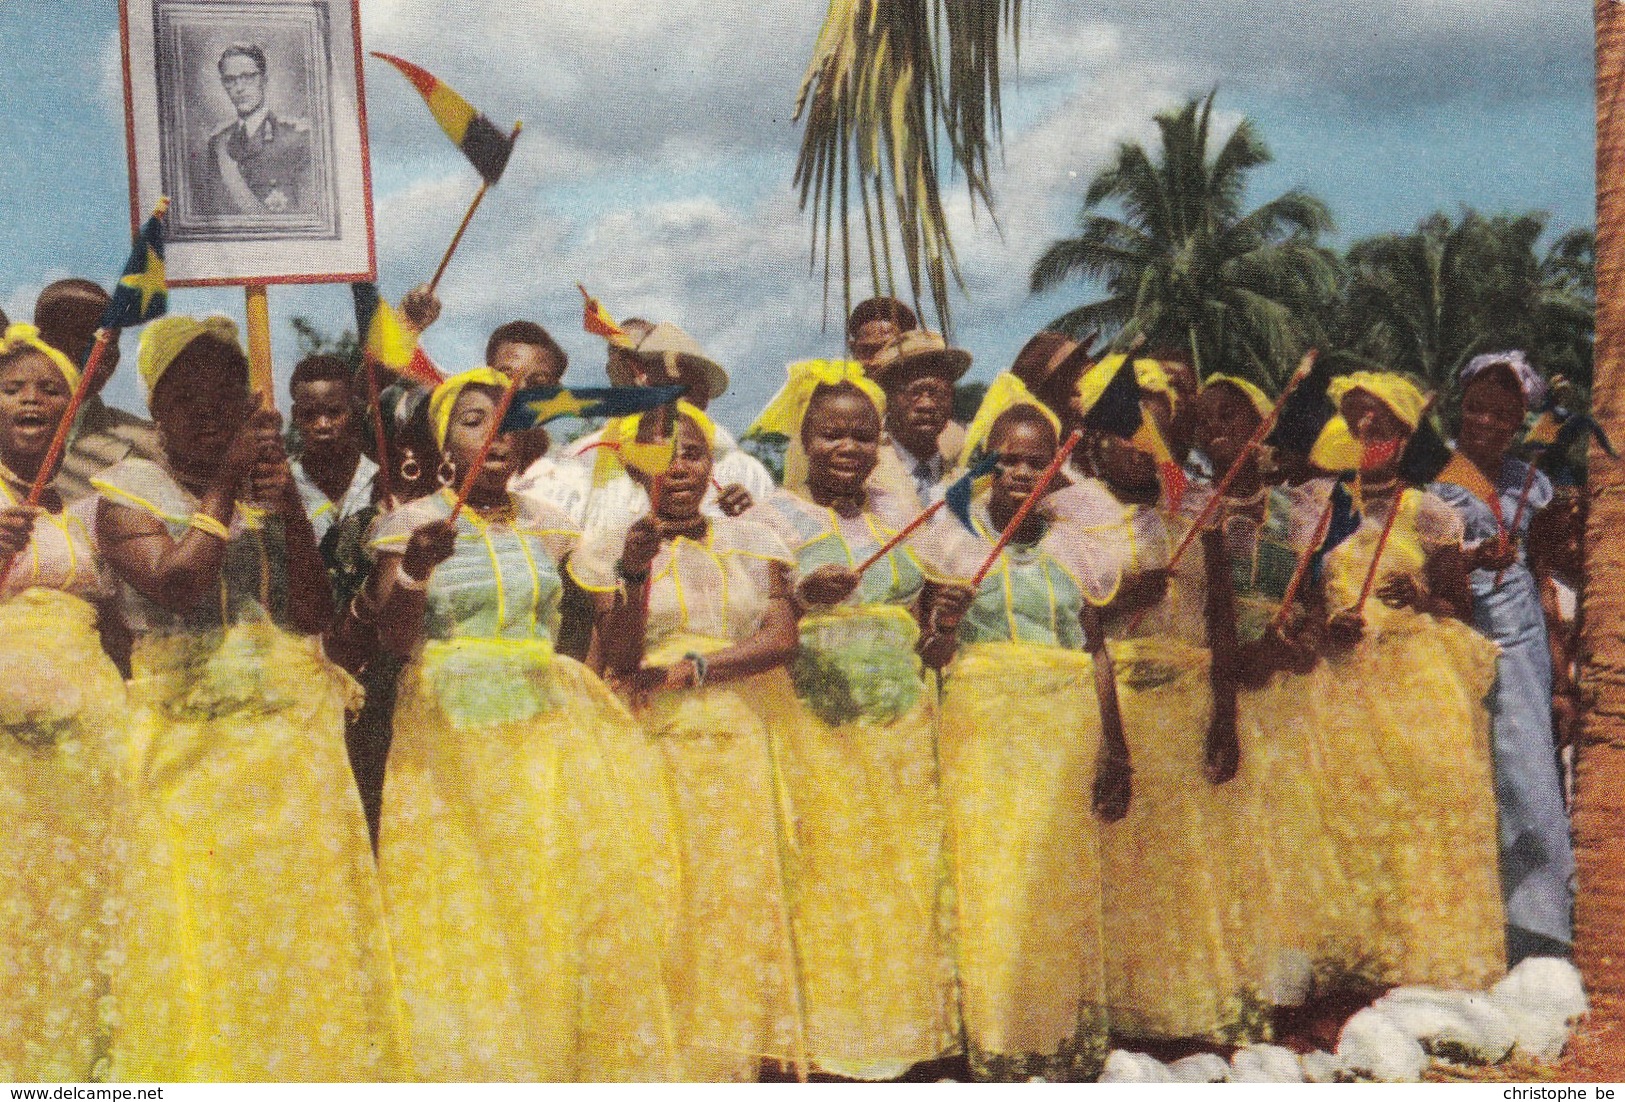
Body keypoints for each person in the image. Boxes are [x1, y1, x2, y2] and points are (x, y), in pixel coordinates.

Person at [94, 316, 405, 1080]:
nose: (208, 413)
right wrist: (230, 484)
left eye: (225, 396)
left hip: (284, 748)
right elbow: (178, 581)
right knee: (199, 922)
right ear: (156, 410)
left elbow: (310, 613)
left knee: (291, 921)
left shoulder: (273, 490)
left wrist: (291, 508)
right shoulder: (122, 492)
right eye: (187, 398)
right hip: (184, 746)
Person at [361, 367, 674, 1080]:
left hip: (542, 742)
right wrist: (414, 572)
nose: (492, 436)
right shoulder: (411, 524)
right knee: (467, 901)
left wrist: (630, 570)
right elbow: (390, 639)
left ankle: (555, 1061)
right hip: (449, 741)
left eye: (504, 423)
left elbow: (620, 646)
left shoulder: (552, 527)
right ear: (444, 441)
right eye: (473, 420)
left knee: (547, 898)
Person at [574, 403, 806, 1080]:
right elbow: (617, 657)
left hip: (735, 739)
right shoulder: (607, 548)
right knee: (658, 899)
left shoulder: (753, 537)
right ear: (632, 464)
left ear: (712, 464)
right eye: (662, 454)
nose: (679, 467)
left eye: (693, 453)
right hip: (649, 742)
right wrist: (634, 575)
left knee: (732, 898)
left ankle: (728, 1059)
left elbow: (781, 638)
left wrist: (695, 668)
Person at [744, 360, 960, 1079]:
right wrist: (804, 600)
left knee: (905, 875)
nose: (848, 448)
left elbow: (931, 637)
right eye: (831, 434)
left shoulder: (903, 517)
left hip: (901, 729)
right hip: (814, 728)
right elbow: (753, 621)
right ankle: (834, 1045)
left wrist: (945, 626)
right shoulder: (770, 518)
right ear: (804, 438)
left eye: (862, 436)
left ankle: (907, 1034)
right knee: (825, 880)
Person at [925, 376, 1130, 1080]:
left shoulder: (1078, 544)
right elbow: (931, 655)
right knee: (992, 880)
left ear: (1057, 468)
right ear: (983, 463)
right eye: (1005, 459)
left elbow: (1093, 647)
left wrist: (1116, 750)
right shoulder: (951, 542)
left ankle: (1053, 1034)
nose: (1019, 473)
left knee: (1054, 880)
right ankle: (996, 1036)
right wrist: (943, 628)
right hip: (982, 730)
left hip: (1063, 730)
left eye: (1035, 460)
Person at [1306, 371, 1506, 990]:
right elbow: (1303, 600)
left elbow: (1459, 607)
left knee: (1421, 818)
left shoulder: (1430, 511)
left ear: (1403, 431)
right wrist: (1327, 622)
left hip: (1415, 679)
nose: (1366, 430)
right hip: (1341, 682)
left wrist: (1422, 595)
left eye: (1381, 421)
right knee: (1347, 817)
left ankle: (1423, 961)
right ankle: (1355, 964)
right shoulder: (1320, 508)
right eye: (1354, 419)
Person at [0, 324, 130, 1081]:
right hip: (11, 750)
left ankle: (93, 1074)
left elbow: (115, 626)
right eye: (13, 387)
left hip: (94, 740)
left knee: (84, 905)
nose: (31, 399)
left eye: (49, 388)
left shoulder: (81, 513)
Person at [1430, 352, 1576, 964]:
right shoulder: (1437, 482)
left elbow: (1544, 570)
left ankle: (1542, 930)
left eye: (1503, 415)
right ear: (1458, 409)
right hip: (1466, 643)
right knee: (1495, 786)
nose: (1487, 423)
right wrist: (1468, 561)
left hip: (1526, 650)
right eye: (1476, 410)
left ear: (1520, 424)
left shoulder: (1526, 482)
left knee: (1534, 777)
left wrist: (1558, 663)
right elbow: (1425, 573)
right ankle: (1505, 933)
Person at [35, 279, 164, 504]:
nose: (101, 350)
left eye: (112, 341)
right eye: (84, 336)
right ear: (43, 341)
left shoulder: (149, 442)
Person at [197, 43, 314, 217]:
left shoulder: (297, 137)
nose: (239, 88)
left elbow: (309, 211)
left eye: (248, 77)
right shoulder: (218, 143)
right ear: (223, 84)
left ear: (264, 80)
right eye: (230, 80)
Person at [866, 329, 972, 508]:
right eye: (913, 393)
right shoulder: (866, 478)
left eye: (938, 393)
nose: (927, 405)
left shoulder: (967, 484)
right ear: (888, 398)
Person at [288, 354, 376, 546]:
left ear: (351, 410)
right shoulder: (283, 482)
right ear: (295, 416)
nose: (322, 425)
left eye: (334, 412)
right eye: (309, 415)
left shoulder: (380, 480)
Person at [846, 296, 918, 368]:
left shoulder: (924, 375)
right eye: (867, 351)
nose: (876, 361)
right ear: (853, 350)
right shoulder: (840, 376)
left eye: (889, 349)